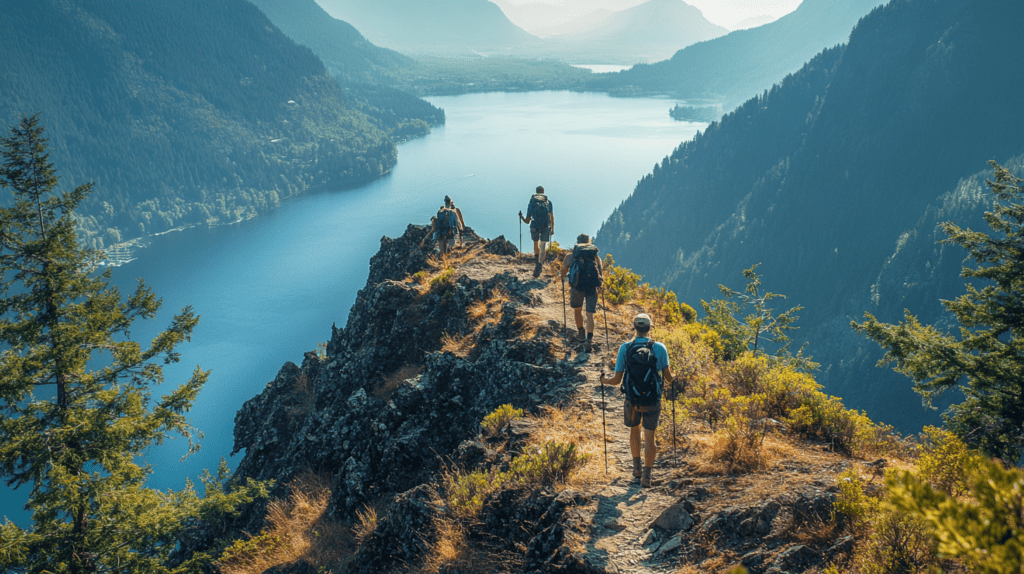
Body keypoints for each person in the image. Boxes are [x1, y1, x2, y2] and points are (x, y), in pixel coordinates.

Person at [599, 313, 674, 488]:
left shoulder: (625, 348)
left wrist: (604, 381)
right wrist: (675, 376)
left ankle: (636, 469)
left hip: (632, 399)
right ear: (650, 328)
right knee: (650, 437)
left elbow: (617, 380)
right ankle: (647, 477)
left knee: (634, 432)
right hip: (652, 400)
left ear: (635, 328)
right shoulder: (660, 348)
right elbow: (669, 378)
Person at [560, 233, 603, 351]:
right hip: (592, 287)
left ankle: (581, 333)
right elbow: (600, 271)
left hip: (577, 286)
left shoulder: (572, 255)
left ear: (577, 242)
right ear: (588, 242)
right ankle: (589, 339)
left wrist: (563, 277)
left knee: (577, 310)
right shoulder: (595, 256)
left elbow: (564, 268)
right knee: (590, 314)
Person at [518, 186, 554, 277]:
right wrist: (552, 228)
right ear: (543, 192)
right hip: (545, 225)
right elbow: (551, 217)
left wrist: (521, 217)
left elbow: (527, 221)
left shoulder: (532, 202)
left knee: (535, 243)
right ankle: (540, 263)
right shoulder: (548, 202)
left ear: (536, 192)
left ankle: (537, 262)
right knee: (543, 244)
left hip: (534, 225)